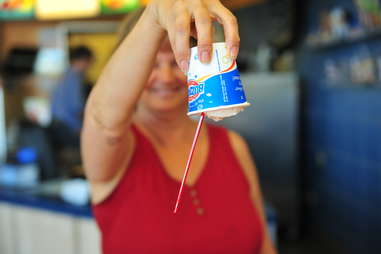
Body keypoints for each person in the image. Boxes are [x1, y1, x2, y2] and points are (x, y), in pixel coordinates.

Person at [82, 1, 277, 253]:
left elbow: (263, 245)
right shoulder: (116, 151)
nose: (165, 77)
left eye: (177, 60)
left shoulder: (233, 145)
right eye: (152, 63)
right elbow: (102, 120)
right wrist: (154, 14)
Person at [51, 46, 93, 148]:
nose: (90, 65)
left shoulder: (66, 75)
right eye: (89, 62)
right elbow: (76, 108)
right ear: (82, 60)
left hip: (58, 125)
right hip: (67, 126)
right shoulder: (75, 78)